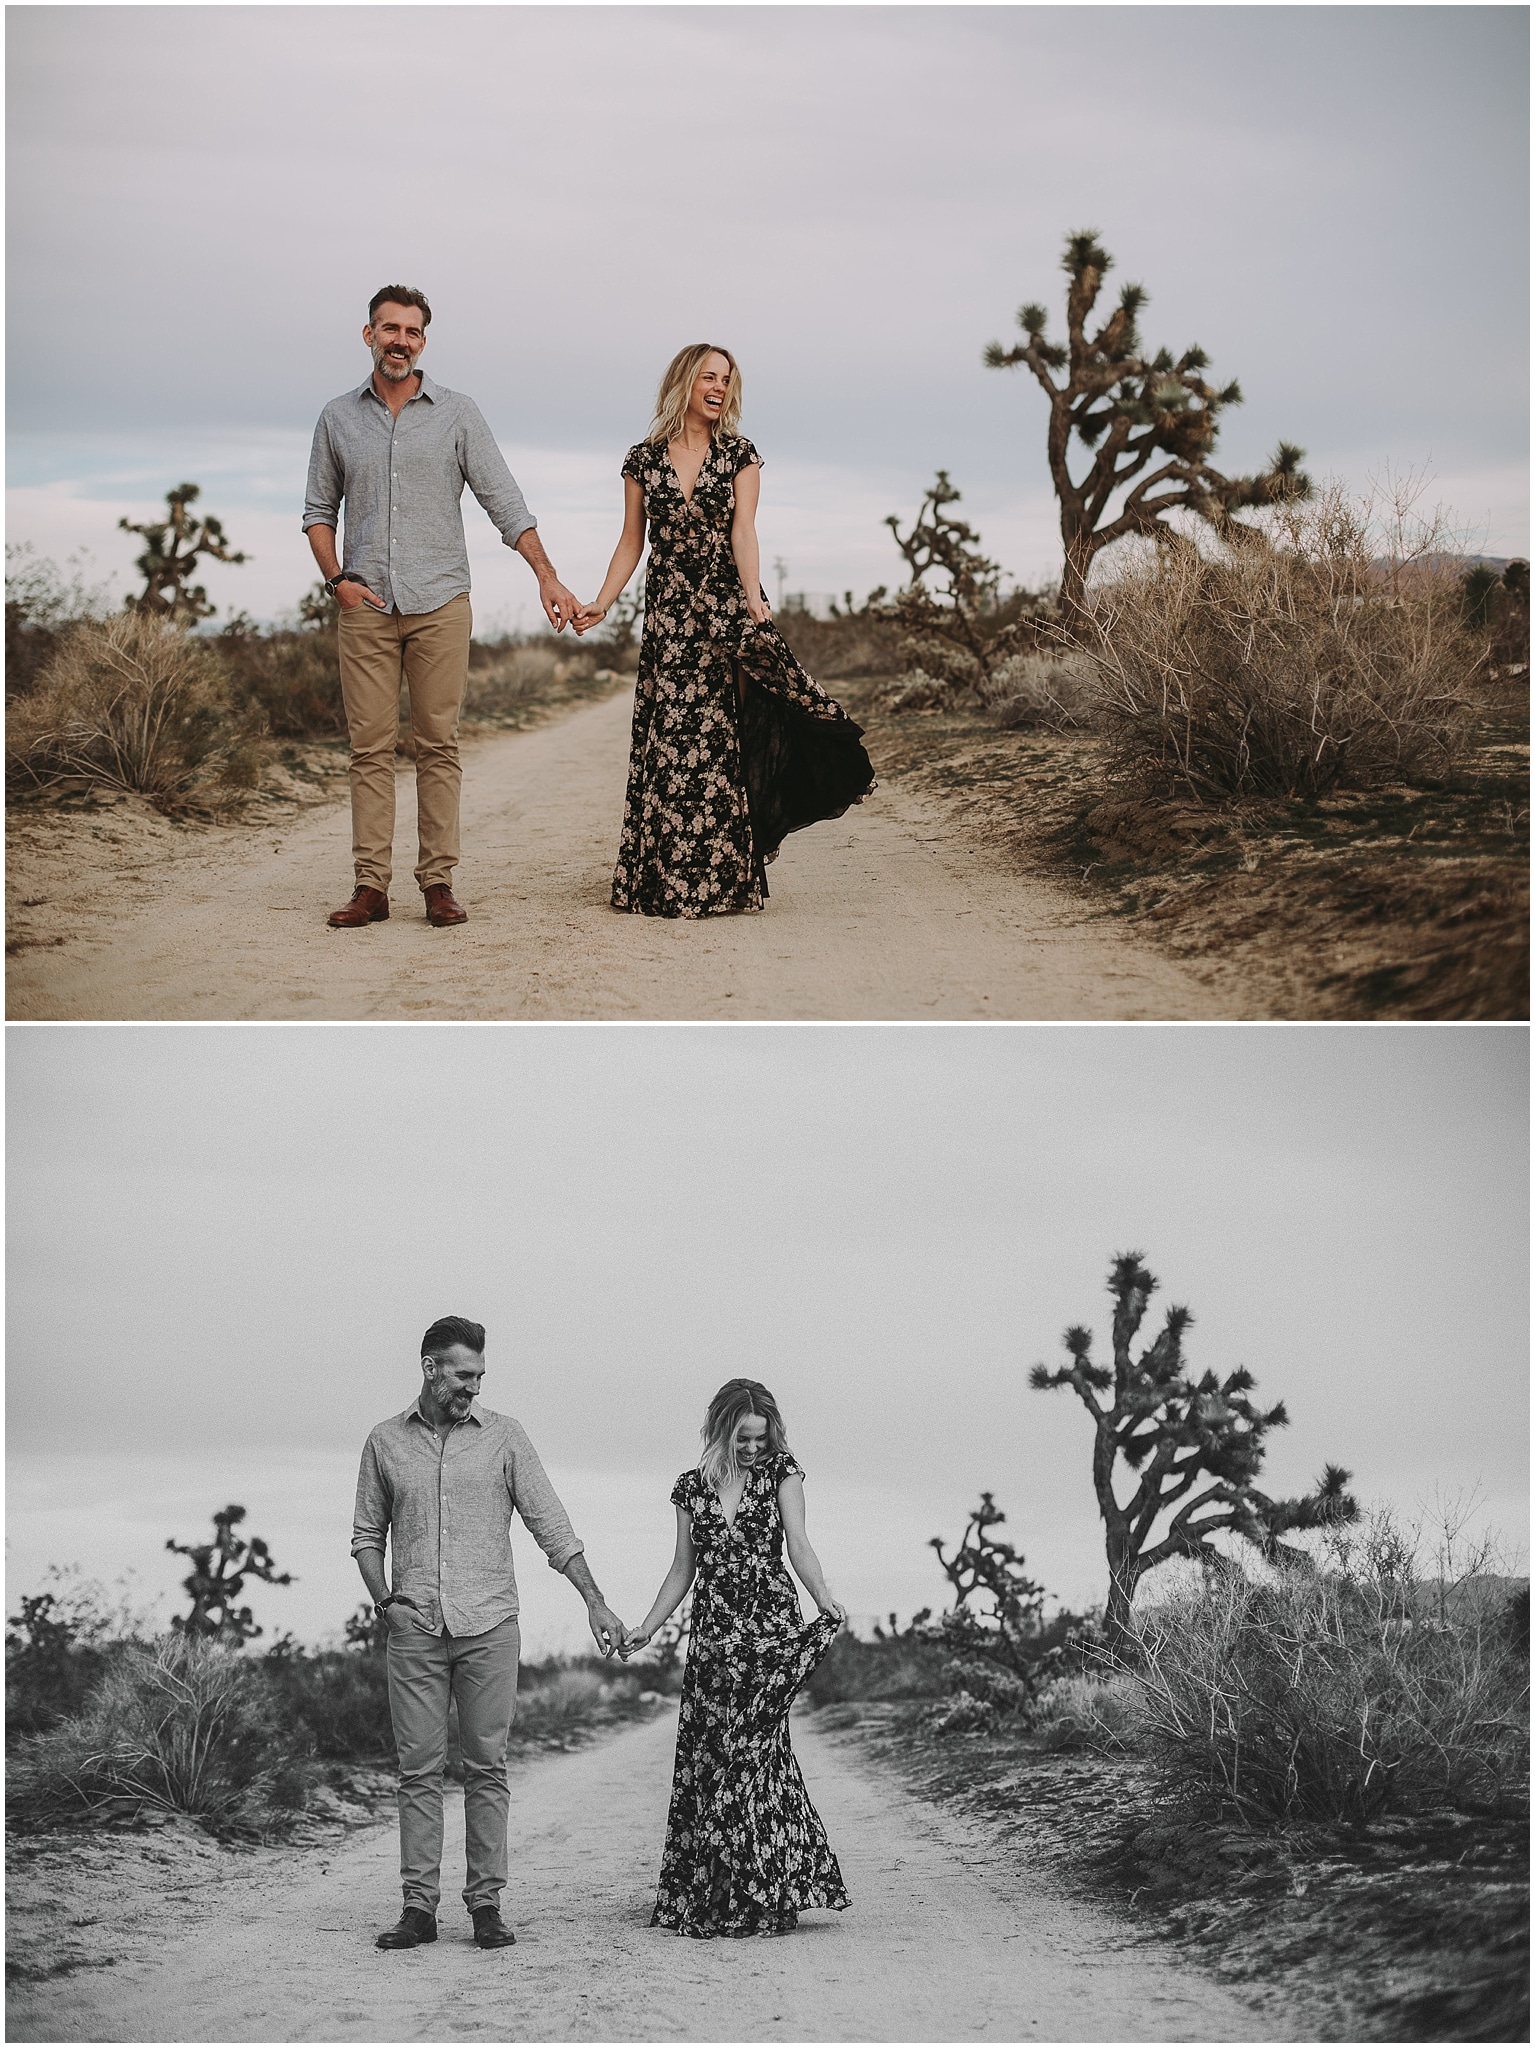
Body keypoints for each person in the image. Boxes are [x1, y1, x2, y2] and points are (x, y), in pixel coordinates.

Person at [303, 288, 580, 930]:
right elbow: (319, 512)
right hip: (365, 604)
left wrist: (547, 574)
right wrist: (337, 579)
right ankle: (370, 888)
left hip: (441, 603)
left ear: (424, 340)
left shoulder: (458, 414)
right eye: (388, 328)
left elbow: (504, 501)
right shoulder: (336, 417)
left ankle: (438, 883)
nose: (400, 340)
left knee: (438, 745)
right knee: (368, 749)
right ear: (367, 334)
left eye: (412, 331)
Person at [351, 1315, 627, 1952]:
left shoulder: (505, 1438)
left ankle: (486, 1906)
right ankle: (418, 1910)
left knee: (486, 1767)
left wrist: (595, 1599)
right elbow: (367, 1536)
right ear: (430, 1367)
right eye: (463, 1374)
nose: (473, 1387)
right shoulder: (384, 1442)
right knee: (417, 1770)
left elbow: (550, 1524)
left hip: (489, 1625)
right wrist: (384, 1601)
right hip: (414, 1627)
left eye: (479, 1376)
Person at [575, 345, 875, 918]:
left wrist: (755, 596)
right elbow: (631, 542)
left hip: (728, 612)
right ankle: (659, 879)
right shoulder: (642, 460)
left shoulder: (740, 454)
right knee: (669, 742)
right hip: (670, 617)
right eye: (709, 377)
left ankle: (723, 881)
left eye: (727, 380)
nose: (719, 387)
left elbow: (744, 532)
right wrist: (602, 602)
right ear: (684, 383)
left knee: (723, 738)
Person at [620, 1379, 852, 1937]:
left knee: (754, 1756)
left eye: (760, 1439)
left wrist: (824, 1599)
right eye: (742, 1438)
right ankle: (716, 1889)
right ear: (720, 1431)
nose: (752, 1449)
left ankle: (765, 1890)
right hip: (713, 1643)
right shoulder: (690, 1489)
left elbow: (798, 1543)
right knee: (713, 1757)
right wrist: (647, 1629)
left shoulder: (782, 1473)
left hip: (768, 1632)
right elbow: (682, 1568)